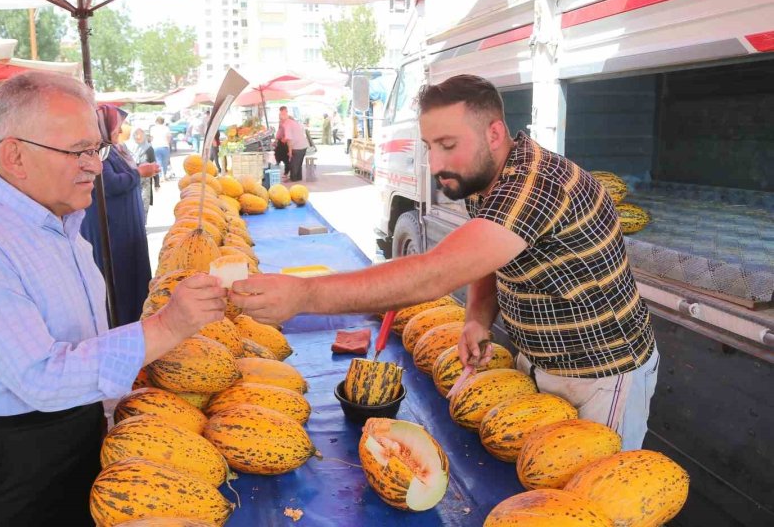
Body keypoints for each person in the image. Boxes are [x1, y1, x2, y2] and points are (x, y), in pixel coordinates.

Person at [231, 74, 659, 451]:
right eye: (429, 146)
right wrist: (477, 318)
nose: (435, 164)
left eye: (448, 145)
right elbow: (486, 258)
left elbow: (434, 274)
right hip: (540, 360)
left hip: (600, 375)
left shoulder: (536, 186)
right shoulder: (486, 177)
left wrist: (305, 294)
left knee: (593, 499)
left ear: (494, 133)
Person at [0, 72, 225, 526]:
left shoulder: (56, 220)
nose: (94, 166)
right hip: (5, 458)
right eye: (78, 151)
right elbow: (42, 376)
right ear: (15, 155)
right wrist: (167, 326)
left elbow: (78, 339)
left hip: (64, 426)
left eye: (96, 149)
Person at [82, 105, 159, 325]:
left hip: (125, 224)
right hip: (111, 227)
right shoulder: (98, 152)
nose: (120, 130)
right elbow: (110, 184)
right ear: (103, 127)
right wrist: (139, 172)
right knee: (119, 276)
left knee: (133, 272)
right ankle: (123, 323)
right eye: (116, 126)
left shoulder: (114, 148)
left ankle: (137, 318)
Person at [128, 127, 158, 225]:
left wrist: (157, 182)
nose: (138, 136)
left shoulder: (149, 148)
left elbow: (154, 165)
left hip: (145, 181)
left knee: (144, 204)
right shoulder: (126, 148)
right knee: (133, 204)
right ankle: (135, 225)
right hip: (131, 180)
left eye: (141, 134)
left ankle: (143, 225)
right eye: (136, 134)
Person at [282, 107, 309, 182]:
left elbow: (289, 140)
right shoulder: (295, 123)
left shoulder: (287, 125)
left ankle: (293, 179)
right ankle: (298, 178)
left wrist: (290, 152)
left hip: (297, 147)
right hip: (303, 146)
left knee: (294, 164)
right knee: (298, 164)